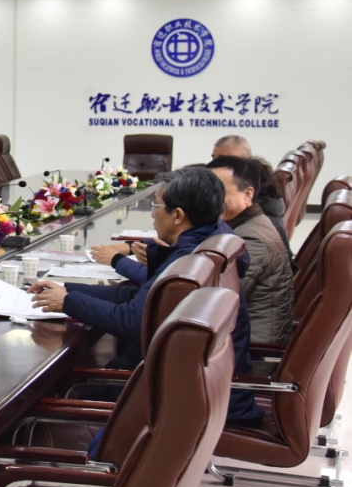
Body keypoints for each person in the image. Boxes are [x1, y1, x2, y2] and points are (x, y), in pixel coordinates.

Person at [29, 165, 262, 425]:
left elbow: (133, 321)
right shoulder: (210, 239)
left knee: (51, 391)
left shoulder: (188, 262)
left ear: (178, 215)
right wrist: (67, 289)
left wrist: (67, 302)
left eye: (156, 206)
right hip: (205, 387)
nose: (152, 214)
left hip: (188, 401)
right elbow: (137, 295)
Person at [208, 155, 294, 344]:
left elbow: (217, 302)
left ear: (248, 194)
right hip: (236, 337)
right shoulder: (244, 225)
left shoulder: (251, 239)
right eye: (207, 192)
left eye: (220, 192)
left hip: (253, 349)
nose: (210, 200)